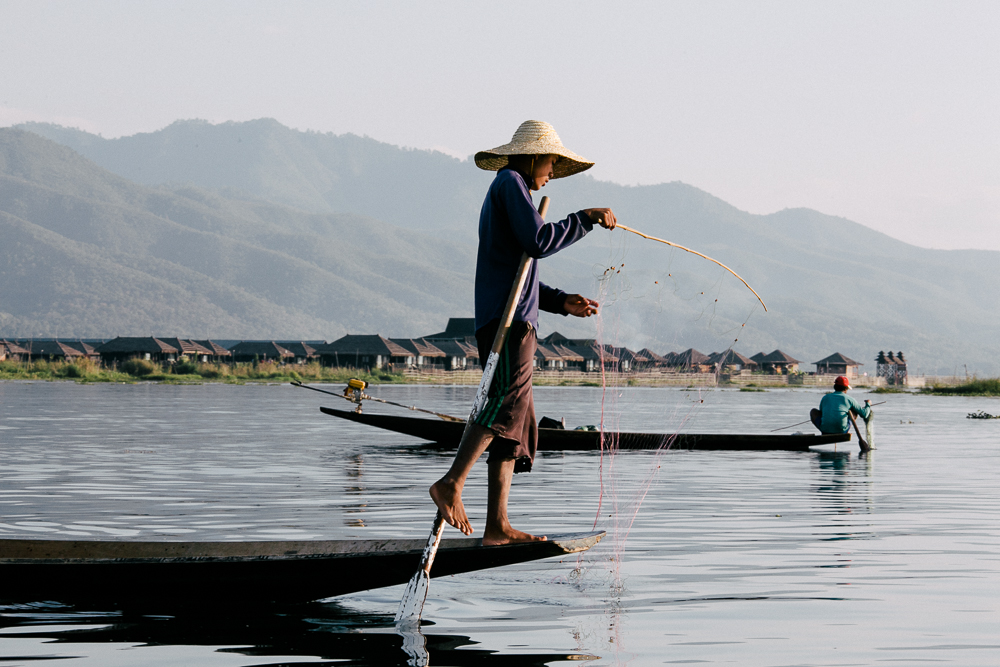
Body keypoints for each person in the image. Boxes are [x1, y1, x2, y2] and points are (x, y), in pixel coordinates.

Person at [429, 120, 616, 545]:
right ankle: (452, 483)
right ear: (532, 156)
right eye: (550, 162)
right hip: (508, 324)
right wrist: (584, 219)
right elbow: (539, 240)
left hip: (517, 317)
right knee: (505, 404)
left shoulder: (517, 192)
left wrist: (560, 300)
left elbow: (522, 271)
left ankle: (497, 525)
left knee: (517, 422)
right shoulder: (510, 182)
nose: (551, 172)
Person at [811, 375, 871, 450]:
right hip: (842, 431)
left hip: (825, 430)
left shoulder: (825, 397)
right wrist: (868, 405)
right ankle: (843, 429)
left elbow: (822, 413)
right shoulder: (849, 399)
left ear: (835, 387)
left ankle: (824, 431)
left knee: (813, 411)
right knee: (854, 411)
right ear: (845, 389)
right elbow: (864, 414)